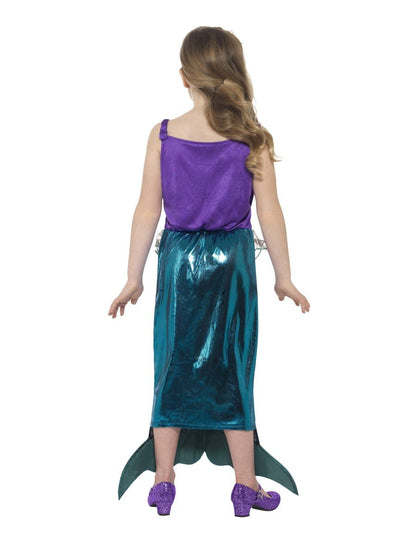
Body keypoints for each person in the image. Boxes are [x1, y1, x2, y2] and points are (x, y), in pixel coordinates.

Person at [108, 26, 310, 517]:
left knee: (171, 366)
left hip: (178, 264)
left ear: (184, 77)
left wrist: (134, 277)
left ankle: (163, 481)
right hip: (233, 267)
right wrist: (283, 276)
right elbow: (270, 213)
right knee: (234, 370)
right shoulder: (252, 138)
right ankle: (245, 485)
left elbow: (147, 210)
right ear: (234, 72)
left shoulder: (163, 135)